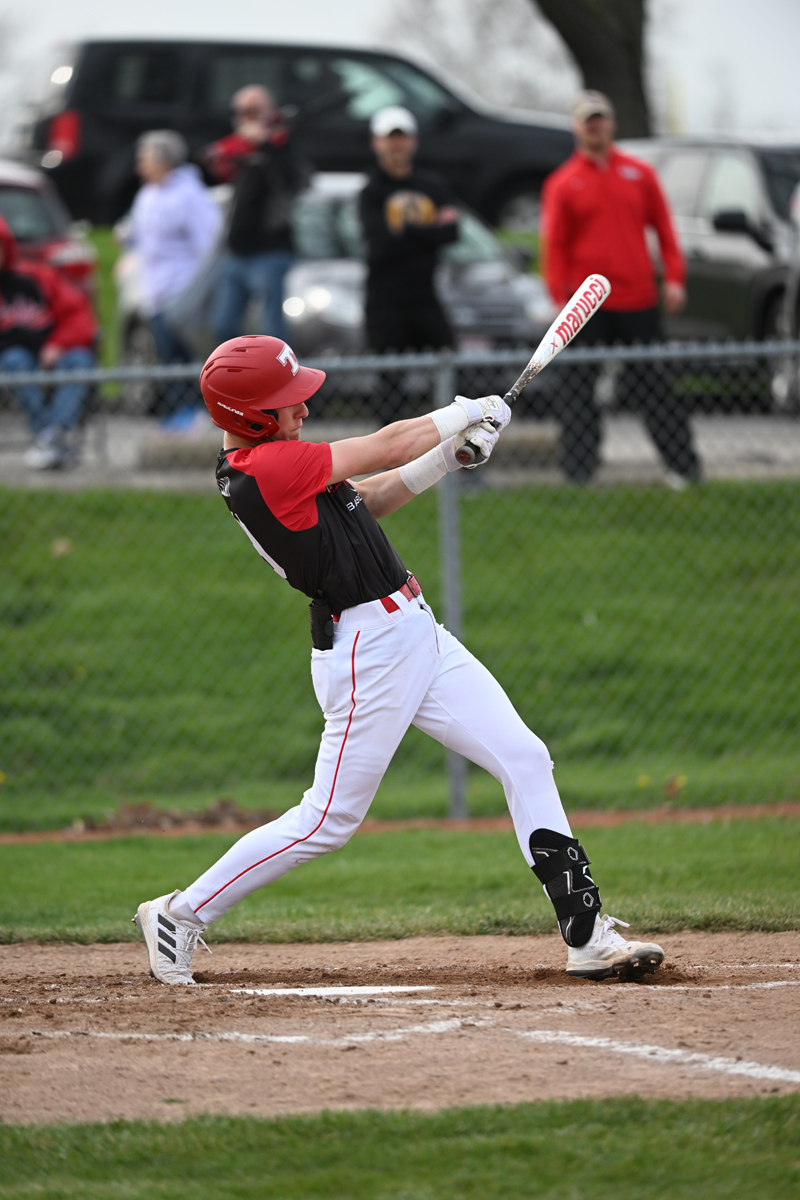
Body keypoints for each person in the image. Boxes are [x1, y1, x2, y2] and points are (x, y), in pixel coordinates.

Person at [133, 332, 665, 987]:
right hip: (368, 651)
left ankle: (584, 933)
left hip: (415, 633)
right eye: (286, 403)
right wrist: (465, 409)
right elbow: (387, 443)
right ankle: (180, 914)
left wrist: (449, 456)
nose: (302, 409)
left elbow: (372, 498)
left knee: (524, 756)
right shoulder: (263, 471)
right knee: (327, 822)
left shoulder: (282, 459)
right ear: (249, 417)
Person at [541, 90, 702, 487]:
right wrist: (559, 298)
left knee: (654, 384)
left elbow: (665, 231)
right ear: (577, 127)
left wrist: (675, 279)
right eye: (588, 120)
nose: (596, 126)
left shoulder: (640, 174)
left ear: (611, 124)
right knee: (578, 388)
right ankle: (579, 473)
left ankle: (683, 467)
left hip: (638, 299)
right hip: (587, 307)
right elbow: (554, 247)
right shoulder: (564, 183)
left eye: (601, 119)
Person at [359, 106, 459, 417]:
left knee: (450, 367)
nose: (397, 146)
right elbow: (381, 241)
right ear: (376, 143)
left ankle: (457, 448)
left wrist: (406, 229)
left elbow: (452, 232)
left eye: (402, 138)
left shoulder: (432, 185)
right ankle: (392, 456)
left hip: (425, 296)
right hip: (385, 301)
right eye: (390, 139)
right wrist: (429, 229)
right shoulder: (371, 192)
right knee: (390, 382)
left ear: (413, 142)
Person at [127, 130, 222, 427]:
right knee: (165, 355)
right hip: (153, 290)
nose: (140, 166)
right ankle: (173, 412)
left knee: (184, 355)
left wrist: (198, 289)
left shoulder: (189, 195)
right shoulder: (147, 194)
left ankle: (193, 411)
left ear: (164, 160)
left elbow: (208, 243)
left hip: (181, 288)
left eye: (145, 159)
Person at [200, 85, 305, 344]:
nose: (245, 118)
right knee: (222, 325)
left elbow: (291, 181)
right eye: (241, 112)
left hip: (270, 252)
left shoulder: (282, 148)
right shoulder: (241, 151)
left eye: (253, 111)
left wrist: (266, 145)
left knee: (273, 329)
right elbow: (207, 167)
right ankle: (245, 376)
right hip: (237, 252)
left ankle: (278, 382)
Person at [0, 216, 96, 469]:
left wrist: (58, 344)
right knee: (14, 360)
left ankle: (53, 435)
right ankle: (50, 438)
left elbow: (79, 314)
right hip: (13, 358)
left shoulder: (37, 276)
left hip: (52, 349)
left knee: (79, 360)